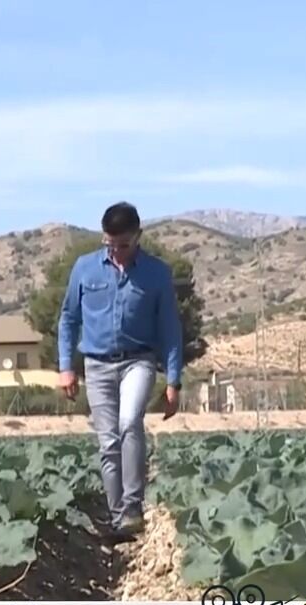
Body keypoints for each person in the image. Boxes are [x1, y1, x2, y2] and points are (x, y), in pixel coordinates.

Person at [57, 201, 184, 541]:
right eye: (110, 244)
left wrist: (173, 381)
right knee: (107, 441)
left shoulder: (157, 273)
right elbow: (68, 319)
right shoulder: (84, 269)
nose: (117, 251)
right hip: (96, 365)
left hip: (138, 360)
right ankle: (117, 520)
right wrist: (66, 367)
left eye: (124, 244)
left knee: (129, 423)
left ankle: (132, 506)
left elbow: (170, 328)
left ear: (138, 236)